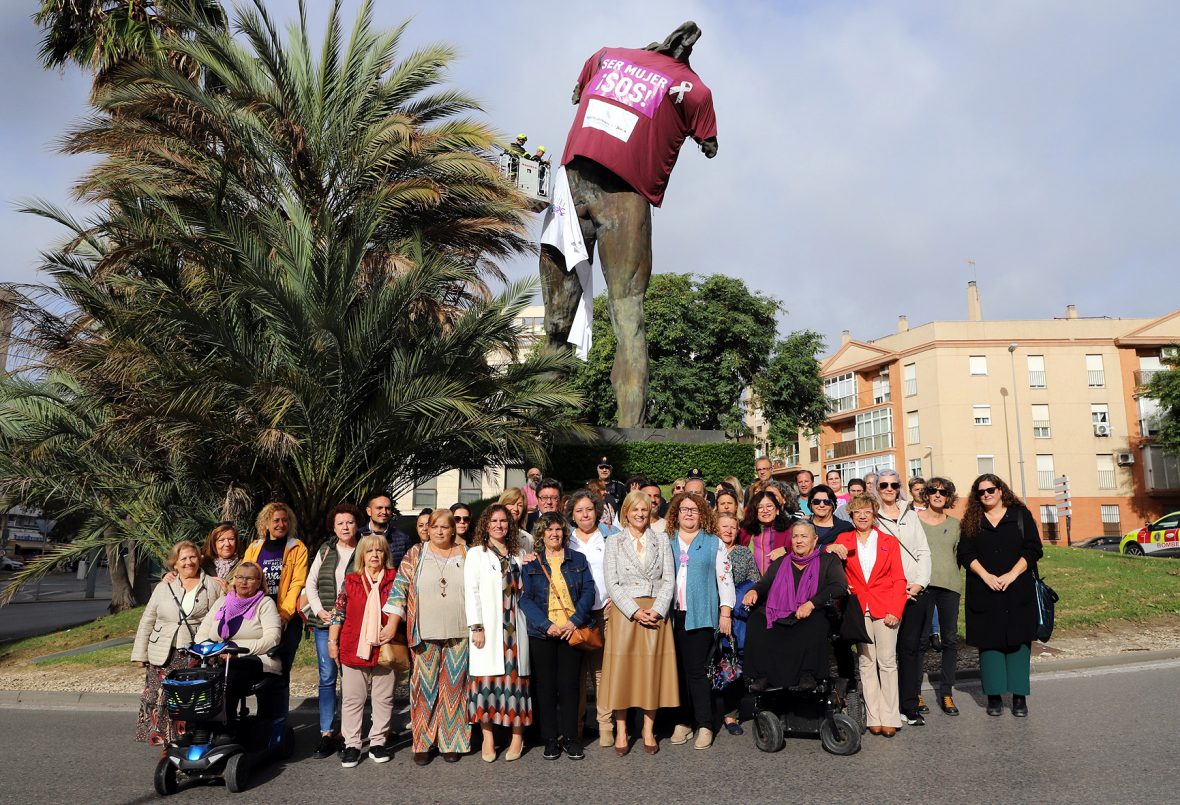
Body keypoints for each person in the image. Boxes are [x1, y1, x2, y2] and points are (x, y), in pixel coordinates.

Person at [381, 509, 470, 765]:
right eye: (435, 527)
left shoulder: (467, 553)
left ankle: (451, 741)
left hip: (460, 632)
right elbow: (399, 589)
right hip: (424, 633)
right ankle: (423, 741)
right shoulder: (416, 554)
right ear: (427, 529)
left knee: (454, 689)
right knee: (424, 689)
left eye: (445, 527)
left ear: (453, 529)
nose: (440, 531)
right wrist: (392, 625)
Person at [957, 474, 1043, 718]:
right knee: (990, 646)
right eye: (981, 491)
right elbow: (965, 552)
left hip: (1017, 589)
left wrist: (1012, 574)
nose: (986, 494)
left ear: (1001, 490)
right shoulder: (972, 521)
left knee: (1018, 644)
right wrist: (985, 576)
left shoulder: (1020, 515)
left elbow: (1034, 549)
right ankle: (993, 697)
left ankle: (1018, 698)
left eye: (990, 489)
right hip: (984, 590)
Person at [600, 490, 678, 756]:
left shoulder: (662, 539)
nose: (640, 514)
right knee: (623, 672)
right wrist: (634, 611)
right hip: (626, 613)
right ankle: (621, 730)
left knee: (650, 671)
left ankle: (647, 729)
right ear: (626, 512)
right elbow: (612, 582)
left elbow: (670, 579)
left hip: (655, 612)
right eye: (635, 509)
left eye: (644, 509)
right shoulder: (614, 541)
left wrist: (657, 609)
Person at [828, 494, 908, 737]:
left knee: (887, 662)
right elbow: (825, 558)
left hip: (886, 608)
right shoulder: (844, 539)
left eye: (867, 511)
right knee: (866, 662)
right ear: (850, 515)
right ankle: (873, 715)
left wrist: (896, 609)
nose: (862, 515)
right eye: (857, 511)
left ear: (874, 514)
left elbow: (899, 579)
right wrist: (830, 548)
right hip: (857, 609)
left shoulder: (888, 541)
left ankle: (890, 716)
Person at [520, 512, 597, 761]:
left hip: (570, 631)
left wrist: (574, 621)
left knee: (569, 686)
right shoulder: (531, 564)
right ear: (541, 534)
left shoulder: (579, 559)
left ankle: (571, 738)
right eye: (549, 530)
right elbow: (525, 599)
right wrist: (545, 625)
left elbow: (588, 591)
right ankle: (551, 739)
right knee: (546, 687)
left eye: (558, 529)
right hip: (543, 633)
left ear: (564, 533)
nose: (554, 534)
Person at [132, 540, 225, 745]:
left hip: (194, 653)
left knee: (188, 701)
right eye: (183, 558)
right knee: (159, 698)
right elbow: (148, 619)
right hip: (163, 652)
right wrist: (140, 654)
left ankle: (187, 740)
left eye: (193, 557)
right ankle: (166, 742)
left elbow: (220, 619)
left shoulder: (212, 586)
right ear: (175, 564)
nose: (188, 562)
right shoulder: (163, 587)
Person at [666, 492, 734, 750]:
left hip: (701, 616)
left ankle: (704, 724)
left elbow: (724, 579)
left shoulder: (712, 542)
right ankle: (683, 721)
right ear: (677, 513)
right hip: (672, 616)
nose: (689, 513)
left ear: (702, 513)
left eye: (694, 509)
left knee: (696, 672)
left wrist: (725, 611)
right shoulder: (667, 541)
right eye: (684, 509)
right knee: (677, 672)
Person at [465, 504, 533, 762]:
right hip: (490, 628)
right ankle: (488, 739)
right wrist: (477, 626)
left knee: (516, 683)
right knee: (485, 684)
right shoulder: (476, 554)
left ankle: (517, 737)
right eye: (494, 520)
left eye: (503, 521)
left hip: (515, 628)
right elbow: (471, 592)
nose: (499, 525)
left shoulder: (519, 553)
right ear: (486, 524)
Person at [743, 522, 847, 691]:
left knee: (816, 620)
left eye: (804, 536)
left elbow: (838, 586)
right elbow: (765, 583)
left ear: (815, 540)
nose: (799, 541)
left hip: (812, 611)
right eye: (795, 536)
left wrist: (812, 603)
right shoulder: (781, 562)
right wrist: (753, 591)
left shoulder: (828, 560)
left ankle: (808, 674)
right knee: (756, 619)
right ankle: (762, 675)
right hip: (782, 613)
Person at [327, 535, 399, 768]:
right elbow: (338, 612)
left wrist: (392, 626)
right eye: (370, 551)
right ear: (362, 555)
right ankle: (352, 744)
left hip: (385, 646)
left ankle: (378, 741)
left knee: (383, 698)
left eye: (379, 551)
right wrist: (332, 641)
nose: (375, 555)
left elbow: (402, 605)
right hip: (353, 645)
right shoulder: (350, 580)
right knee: (352, 699)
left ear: (385, 555)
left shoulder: (395, 579)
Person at [872, 468, 932, 726]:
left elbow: (923, 552)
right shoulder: (872, 516)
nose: (889, 489)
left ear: (899, 487)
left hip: (914, 593)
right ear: (876, 487)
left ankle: (909, 704)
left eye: (893, 485)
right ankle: (887, 706)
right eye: (883, 484)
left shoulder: (910, 514)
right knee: (885, 654)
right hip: (886, 594)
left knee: (909, 650)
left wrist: (918, 584)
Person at [304, 503, 363, 759]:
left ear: (357, 523)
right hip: (325, 624)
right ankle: (327, 733)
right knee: (327, 678)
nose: (345, 527)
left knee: (351, 679)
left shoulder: (365, 547)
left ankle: (348, 733)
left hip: (354, 624)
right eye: (340, 523)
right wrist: (318, 610)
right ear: (334, 527)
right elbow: (311, 582)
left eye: (349, 522)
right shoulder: (326, 550)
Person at [194, 562, 283, 730]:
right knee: (198, 679)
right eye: (240, 577)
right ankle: (200, 729)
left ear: (259, 582)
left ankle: (226, 729)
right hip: (219, 658)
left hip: (255, 660)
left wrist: (236, 651)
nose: (243, 582)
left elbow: (272, 639)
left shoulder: (265, 603)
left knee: (228, 680)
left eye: (249, 578)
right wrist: (213, 650)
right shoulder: (222, 601)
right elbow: (201, 634)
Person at [566, 489, 614, 745]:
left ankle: (605, 724)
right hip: (574, 615)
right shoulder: (566, 539)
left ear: (597, 511)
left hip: (604, 611)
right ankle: (577, 726)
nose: (585, 514)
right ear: (572, 515)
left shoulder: (609, 537)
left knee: (601, 672)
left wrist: (614, 599)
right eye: (579, 510)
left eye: (589, 509)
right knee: (576, 673)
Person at [243, 502, 309, 679]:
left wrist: (285, 614)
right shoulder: (255, 548)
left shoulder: (297, 547)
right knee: (258, 667)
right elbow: (244, 578)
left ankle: (279, 706)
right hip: (258, 616)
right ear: (266, 524)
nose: (281, 524)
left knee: (282, 668)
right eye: (276, 520)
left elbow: (298, 582)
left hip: (287, 618)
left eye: (285, 520)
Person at [917, 478, 963, 716]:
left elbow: (958, 557)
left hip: (949, 586)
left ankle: (946, 692)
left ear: (948, 497)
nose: (937, 495)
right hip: (922, 587)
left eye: (943, 492)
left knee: (950, 641)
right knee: (921, 640)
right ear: (926, 494)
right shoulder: (914, 521)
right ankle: (915, 694)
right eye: (933, 491)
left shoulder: (955, 525)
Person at [715, 512, 758, 735]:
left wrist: (746, 595)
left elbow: (755, 581)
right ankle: (707, 713)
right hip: (711, 615)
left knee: (732, 665)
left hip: (737, 619)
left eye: (733, 527)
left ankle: (731, 715)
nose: (729, 530)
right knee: (710, 664)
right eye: (724, 526)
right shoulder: (710, 549)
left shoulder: (743, 553)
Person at [739, 490, 792, 575]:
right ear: (755, 512)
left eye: (769, 506)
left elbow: (801, 553)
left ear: (777, 510)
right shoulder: (746, 532)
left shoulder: (789, 531)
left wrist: (785, 550)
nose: (765, 510)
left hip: (781, 582)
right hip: (753, 584)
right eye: (760, 507)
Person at [362, 493, 411, 569]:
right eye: (379, 508)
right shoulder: (358, 536)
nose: (384, 512)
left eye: (388, 508)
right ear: (369, 511)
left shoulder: (403, 539)